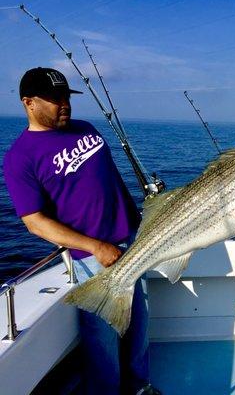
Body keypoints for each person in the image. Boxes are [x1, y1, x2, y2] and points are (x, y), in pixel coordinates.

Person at [3, 67, 160, 395]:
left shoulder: (85, 128)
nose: (64, 104)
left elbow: (109, 181)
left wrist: (142, 219)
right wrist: (95, 246)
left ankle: (139, 386)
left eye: (66, 97)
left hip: (132, 240)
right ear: (28, 103)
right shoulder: (20, 157)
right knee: (102, 335)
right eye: (54, 99)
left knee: (138, 324)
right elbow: (34, 221)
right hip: (91, 257)